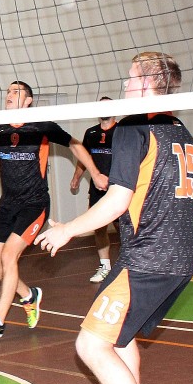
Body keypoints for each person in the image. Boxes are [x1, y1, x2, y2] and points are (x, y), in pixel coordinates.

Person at [36, 52, 193, 384]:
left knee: (90, 346)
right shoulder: (181, 131)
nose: (125, 85)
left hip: (149, 258)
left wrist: (68, 229)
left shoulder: (132, 127)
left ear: (147, 84)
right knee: (120, 338)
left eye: (130, 79)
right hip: (179, 257)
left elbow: (116, 200)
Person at [0, 81, 107, 338]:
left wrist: (95, 173)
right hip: (7, 205)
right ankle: (29, 295)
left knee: (9, 256)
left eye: (16, 92)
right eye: (8, 91)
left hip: (35, 204)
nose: (9, 95)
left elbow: (75, 145)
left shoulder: (41, 125)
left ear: (28, 100)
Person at [70, 97, 117, 283]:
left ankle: (131, 265)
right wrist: (76, 177)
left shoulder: (122, 131)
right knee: (99, 227)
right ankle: (105, 266)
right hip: (97, 189)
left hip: (118, 188)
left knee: (125, 227)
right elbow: (84, 158)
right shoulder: (91, 133)